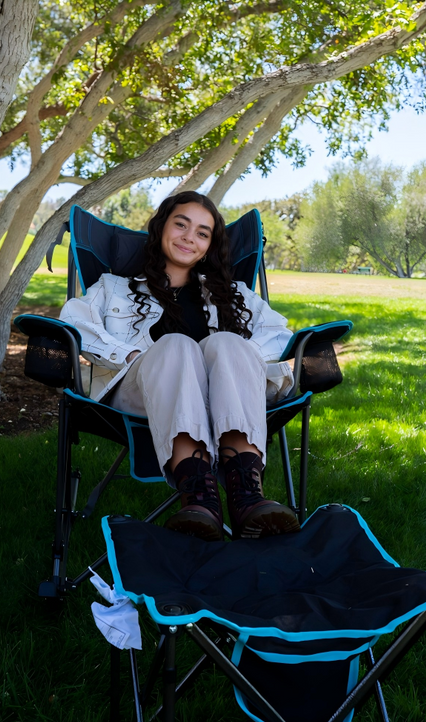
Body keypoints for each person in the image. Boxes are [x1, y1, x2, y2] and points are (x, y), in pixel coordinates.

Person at [60, 191, 299, 542]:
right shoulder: (114, 288)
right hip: (142, 393)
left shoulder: (233, 293)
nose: (190, 237)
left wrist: (236, 363)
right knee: (176, 346)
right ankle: (198, 494)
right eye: (181, 225)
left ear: (209, 246)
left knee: (227, 343)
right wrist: (127, 356)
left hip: (229, 399)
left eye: (203, 233)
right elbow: (75, 322)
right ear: (160, 228)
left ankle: (247, 495)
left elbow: (279, 333)